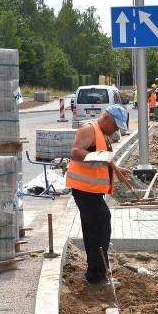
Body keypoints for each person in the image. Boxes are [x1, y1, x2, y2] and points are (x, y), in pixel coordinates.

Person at [65, 104, 131, 287]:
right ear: (107, 118)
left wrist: (118, 170)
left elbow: (105, 161)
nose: (116, 129)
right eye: (116, 125)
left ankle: (95, 273)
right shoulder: (89, 129)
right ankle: (97, 275)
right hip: (84, 189)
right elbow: (76, 151)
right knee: (101, 222)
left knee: (93, 229)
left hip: (91, 190)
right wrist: (97, 157)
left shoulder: (103, 134)